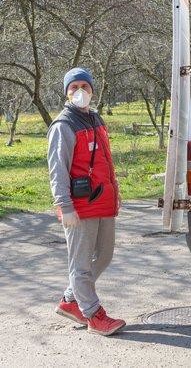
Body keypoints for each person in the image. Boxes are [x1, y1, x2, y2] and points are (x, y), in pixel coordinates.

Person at [48, 67, 125, 336]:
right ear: (66, 93)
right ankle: (93, 314)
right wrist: (65, 206)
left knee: (104, 255)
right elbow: (57, 169)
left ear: (92, 90)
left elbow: (106, 161)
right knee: (80, 265)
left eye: (85, 86)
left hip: (103, 202)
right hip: (79, 208)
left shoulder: (95, 119)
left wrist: (115, 192)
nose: (80, 91)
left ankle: (70, 300)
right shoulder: (63, 125)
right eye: (74, 87)